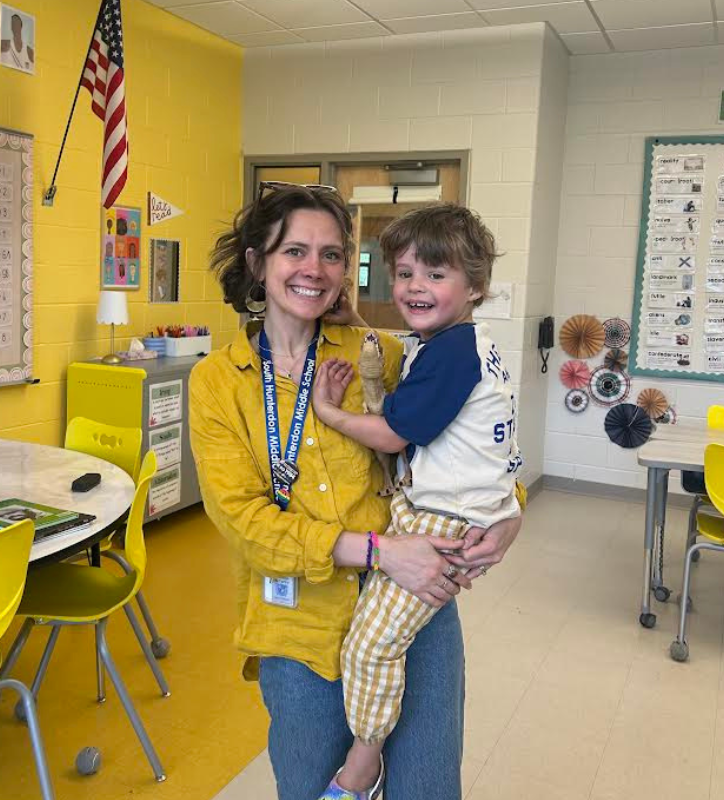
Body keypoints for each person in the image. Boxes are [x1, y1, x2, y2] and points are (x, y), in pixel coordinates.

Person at [188, 184, 524, 800]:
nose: (315, 270)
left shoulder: (383, 352)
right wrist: (380, 551)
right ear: (258, 263)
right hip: (301, 625)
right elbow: (242, 520)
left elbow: (472, 445)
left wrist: (511, 515)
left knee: (427, 789)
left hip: (416, 601)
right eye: (294, 251)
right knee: (317, 787)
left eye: (333, 254)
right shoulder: (217, 383)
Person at [312, 204, 522, 798]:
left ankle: (363, 760)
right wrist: (353, 315)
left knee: (371, 644)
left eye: (435, 274)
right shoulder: (460, 341)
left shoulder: (451, 353)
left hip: (444, 518)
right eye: (404, 273)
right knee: (384, 635)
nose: (415, 287)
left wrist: (330, 412)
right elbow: (408, 357)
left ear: (475, 285)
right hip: (455, 506)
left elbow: (395, 434)